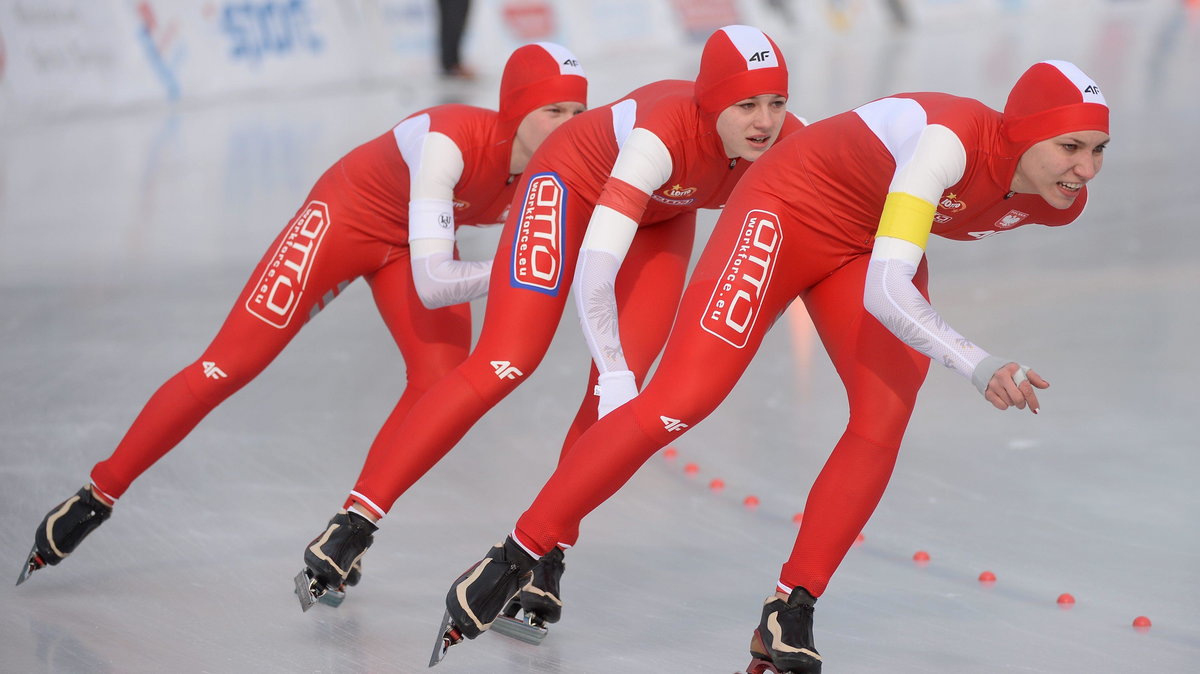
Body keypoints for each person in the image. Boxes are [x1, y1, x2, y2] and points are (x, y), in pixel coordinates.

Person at [440, 59, 1109, 672]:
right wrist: (978, 361)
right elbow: (889, 291)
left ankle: (789, 612)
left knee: (884, 418)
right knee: (680, 400)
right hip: (785, 211)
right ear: (1020, 135)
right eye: (1069, 147)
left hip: (864, 245)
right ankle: (516, 554)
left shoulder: (1059, 206)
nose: (1084, 170)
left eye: (1098, 150)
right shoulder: (948, 142)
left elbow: (882, 267)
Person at [17, 43, 588, 594]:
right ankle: (98, 493)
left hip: (410, 247)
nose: (568, 125)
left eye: (578, 112)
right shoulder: (449, 141)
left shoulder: (559, 173)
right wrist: (518, 268)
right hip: (345, 219)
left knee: (441, 379)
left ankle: (349, 527)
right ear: (514, 110)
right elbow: (436, 284)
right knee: (229, 365)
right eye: (552, 111)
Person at [298, 24, 804, 621]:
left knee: (614, 401)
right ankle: (354, 522)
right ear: (711, 100)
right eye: (746, 103)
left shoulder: (787, 143)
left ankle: (548, 554)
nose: (764, 121)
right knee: (506, 362)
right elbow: (594, 268)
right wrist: (612, 366)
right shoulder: (659, 135)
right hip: (571, 185)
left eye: (776, 102)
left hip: (663, 216)